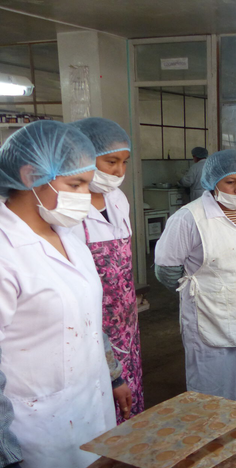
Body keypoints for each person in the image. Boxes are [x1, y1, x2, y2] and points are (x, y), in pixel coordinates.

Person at [0, 120, 127, 468]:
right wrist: (5, 461)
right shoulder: (6, 252)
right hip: (38, 425)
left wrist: (113, 374)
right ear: (31, 175)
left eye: (88, 184)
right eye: (75, 185)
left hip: (90, 405)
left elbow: (88, 317)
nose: (86, 197)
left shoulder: (69, 236)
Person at [154, 149, 236, 401]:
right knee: (215, 392)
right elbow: (166, 270)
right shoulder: (189, 218)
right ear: (213, 181)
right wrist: (207, 290)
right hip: (211, 314)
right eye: (230, 182)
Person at [70, 117, 142, 423]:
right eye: (111, 161)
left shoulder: (118, 199)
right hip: (90, 326)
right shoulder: (68, 208)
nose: (119, 172)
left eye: (124, 162)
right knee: (102, 411)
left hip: (126, 323)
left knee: (132, 405)